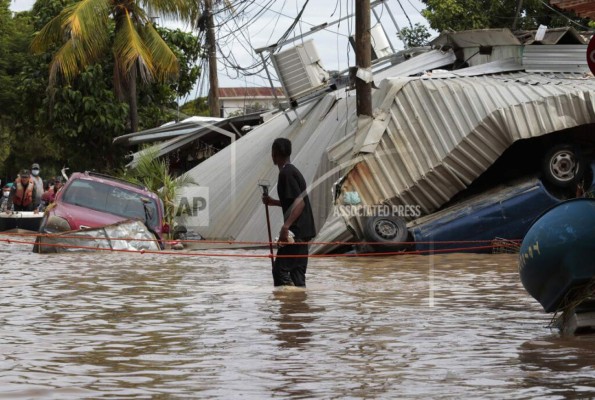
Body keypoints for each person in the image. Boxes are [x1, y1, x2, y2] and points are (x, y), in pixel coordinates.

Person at [262, 138, 316, 287]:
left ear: (274, 154)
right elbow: (293, 202)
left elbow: (300, 204)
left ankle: (287, 306)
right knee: (297, 274)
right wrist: (273, 202)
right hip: (304, 232)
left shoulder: (286, 174)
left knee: (280, 271)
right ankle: (298, 305)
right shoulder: (293, 171)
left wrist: (286, 227)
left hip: (296, 232)